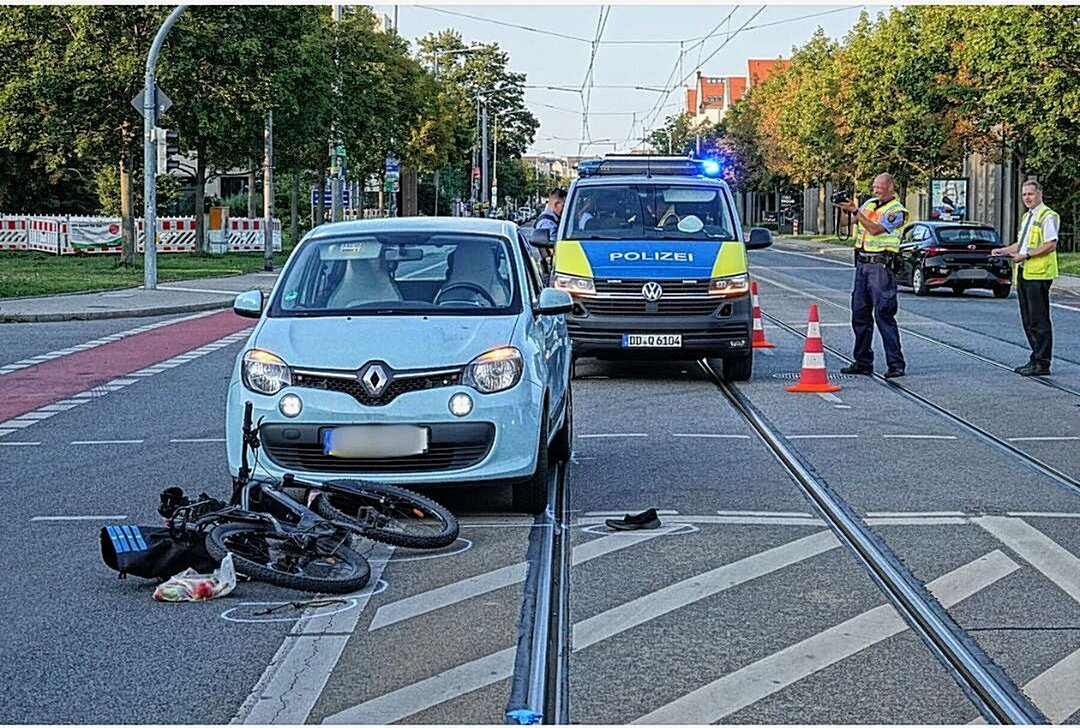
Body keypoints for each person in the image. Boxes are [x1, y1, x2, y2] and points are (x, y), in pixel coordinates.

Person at [834, 172, 909, 378]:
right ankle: (862, 361)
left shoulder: (897, 211)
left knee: (883, 315)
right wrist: (843, 209)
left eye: (879, 187)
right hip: (863, 265)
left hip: (881, 267)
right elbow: (844, 225)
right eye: (874, 186)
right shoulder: (868, 205)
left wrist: (856, 211)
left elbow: (875, 230)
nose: (875, 190)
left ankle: (896, 364)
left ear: (890, 187)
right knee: (859, 314)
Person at [991, 180, 1059, 376]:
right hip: (1025, 272)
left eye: (1030, 194)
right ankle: (1035, 358)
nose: (1027, 198)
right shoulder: (1027, 217)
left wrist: (1026, 256)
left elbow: (1050, 244)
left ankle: (1042, 362)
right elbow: (1021, 244)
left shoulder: (1048, 216)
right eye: (1024, 195)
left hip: (1039, 273)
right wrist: (1002, 251)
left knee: (1039, 319)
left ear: (1040, 194)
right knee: (1028, 320)